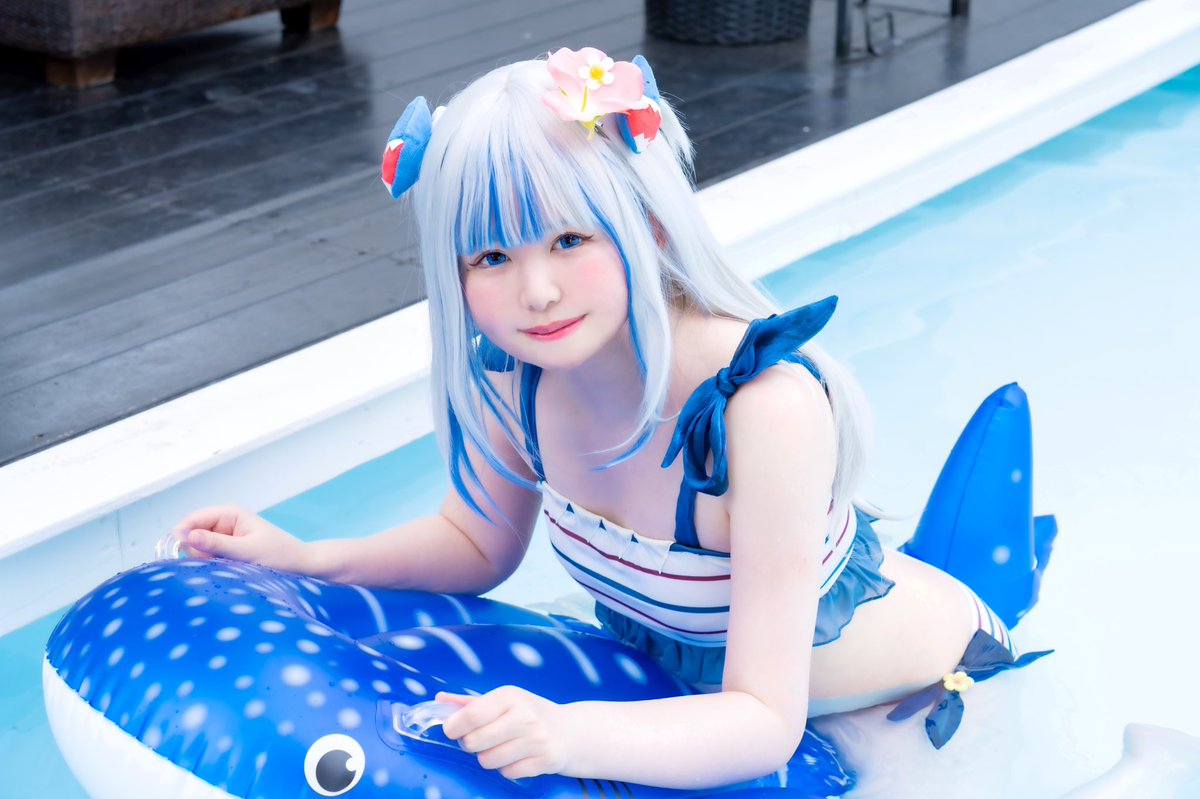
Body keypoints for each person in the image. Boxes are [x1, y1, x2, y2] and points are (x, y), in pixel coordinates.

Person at [171, 47, 1049, 795]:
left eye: (569, 240)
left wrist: (567, 734)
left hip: (909, 698)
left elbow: (763, 720)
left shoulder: (759, 411)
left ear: (649, 227)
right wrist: (304, 557)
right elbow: (475, 545)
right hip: (700, 680)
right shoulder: (518, 381)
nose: (536, 291)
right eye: (491, 255)